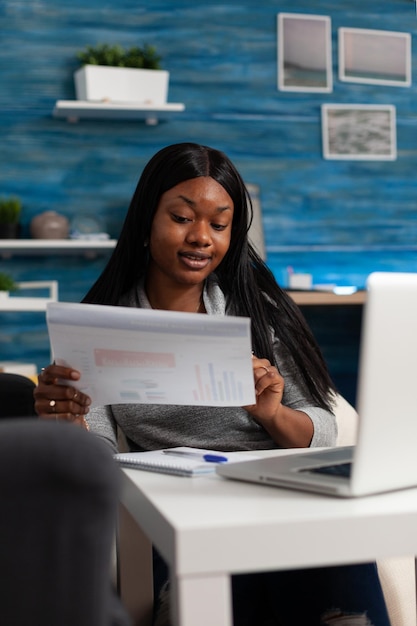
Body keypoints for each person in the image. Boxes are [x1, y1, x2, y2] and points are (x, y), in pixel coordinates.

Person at [34, 143, 391, 626]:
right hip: (181, 510)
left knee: (337, 579)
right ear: (145, 224)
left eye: (219, 225)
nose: (201, 237)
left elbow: (323, 428)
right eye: (182, 218)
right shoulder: (99, 328)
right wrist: (69, 423)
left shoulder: (260, 312)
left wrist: (272, 413)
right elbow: (99, 455)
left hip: (278, 499)